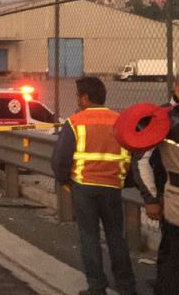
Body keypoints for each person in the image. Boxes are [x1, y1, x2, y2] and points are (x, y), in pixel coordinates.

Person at [52, 76, 136, 295]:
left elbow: (61, 158)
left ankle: (97, 287)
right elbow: (131, 155)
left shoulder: (75, 122)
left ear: (86, 97)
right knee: (116, 237)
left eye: (78, 96)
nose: (77, 100)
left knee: (89, 238)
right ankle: (126, 286)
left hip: (84, 186)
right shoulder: (119, 121)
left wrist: (63, 180)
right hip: (112, 186)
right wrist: (122, 180)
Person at [133, 70, 179, 295]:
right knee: (172, 257)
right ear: (177, 90)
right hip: (170, 202)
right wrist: (151, 199)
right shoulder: (160, 119)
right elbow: (141, 161)